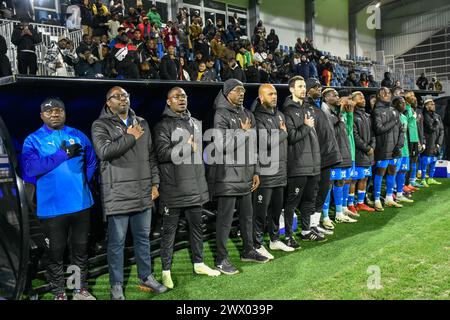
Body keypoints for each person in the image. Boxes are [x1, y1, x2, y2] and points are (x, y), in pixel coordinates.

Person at [91, 87, 167, 300]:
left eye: (125, 96)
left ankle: (146, 277)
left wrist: (155, 183)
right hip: (118, 194)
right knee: (117, 243)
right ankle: (116, 285)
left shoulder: (141, 122)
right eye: (117, 96)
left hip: (143, 192)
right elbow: (104, 152)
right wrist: (130, 137)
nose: (122, 99)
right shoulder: (100, 125)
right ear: (108, 103)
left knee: (143, 239)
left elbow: (151, 156)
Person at [22, 98, 97, 300]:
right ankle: (59, 293)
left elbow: (91, 162)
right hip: (52, 210)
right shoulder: (33, 140)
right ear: (41, 116)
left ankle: (78, 288)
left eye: (59, 110)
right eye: (49, 111)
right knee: (55, 253)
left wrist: (82, 183)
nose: (54, 114)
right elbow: (30, 168)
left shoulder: (77, 135)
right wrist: (62, 154)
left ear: (64, 112)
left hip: (81, 205)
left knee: (79, 250)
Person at [154, 87, 220, 289]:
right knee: (169, 233)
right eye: (176, 97)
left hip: (195, 187)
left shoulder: (195, 123)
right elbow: (162, 154)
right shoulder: (162, 126)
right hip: (173, 190)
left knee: (197, 228)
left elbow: (199, 157)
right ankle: (166, 271)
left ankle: (199, 264)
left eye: (183, 96)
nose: (181, 99)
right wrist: (186, 147)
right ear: (168, 101)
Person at [210, 79, 268, 275]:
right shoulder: (221, 113)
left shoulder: (246, 113)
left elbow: (254, 145)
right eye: (237, 90)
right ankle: (220, 259)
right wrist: (243, 133)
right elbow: (221, 146)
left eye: (243, 90)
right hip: (227, 175)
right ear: (227, 93)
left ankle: (248, 251)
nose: (241, 93)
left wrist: (256, 170)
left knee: (247, 217)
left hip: (246, 174)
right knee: (225, 221)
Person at [281, 76, 324, 246]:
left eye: (304, 86)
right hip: (298, 165)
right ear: (291, 89)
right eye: (299, 86)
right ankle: (288, 235)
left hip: (313, 164)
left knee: (309, 200)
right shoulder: (287, 112)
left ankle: (306, 231)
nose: (303, 89)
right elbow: (291, 137)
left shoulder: (309, 108)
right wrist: (306, 126)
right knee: (292, 202)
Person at [251, 84, 293, 258]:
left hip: (281, 172)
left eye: (275, 93)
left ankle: (274, 240)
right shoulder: (257, 117)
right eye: (270, 94)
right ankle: (257, 244)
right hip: (266, 173)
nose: (274, 96)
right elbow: (265, 142)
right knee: (260, 212)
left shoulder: (281, 115)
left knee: (276, 210)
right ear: (261, 98)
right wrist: (283, 133)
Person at [321, 88, 357, 225]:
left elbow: (347, 130)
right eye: (334, 95)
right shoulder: (324, 112)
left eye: (337, 95)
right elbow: (329, 128)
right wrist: (341, 110)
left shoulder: (336, 112)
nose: (337, 97)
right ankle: (325, 217)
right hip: (331, 154)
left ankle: (339, 213)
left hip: (342, 152)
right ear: (325, 98)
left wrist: (350, 113)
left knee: (340, 182)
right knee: (329, 185)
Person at [372, 87, 404, 211]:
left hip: (395, 149)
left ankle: (389, 198)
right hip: (383, 148)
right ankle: (376, 200)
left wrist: (399, 146)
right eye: (384, 93)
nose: (388, 95)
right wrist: (393, 121)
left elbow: (401, 130)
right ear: (379, 95)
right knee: (380, 173)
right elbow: (378, 129)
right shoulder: (377, 111)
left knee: (392, 171)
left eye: (389, 93)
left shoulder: (394, 110)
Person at [352, 91, 376, 212]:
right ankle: (351, 204)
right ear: (353, 100)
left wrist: (372, 147)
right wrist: (367, 148)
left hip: (368, 154)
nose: (363, 99)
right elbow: (354, 136)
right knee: (354, 179)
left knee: (365, 178)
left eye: (363, 97)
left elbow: (373, 134)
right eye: (359, 97)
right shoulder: (352, 116)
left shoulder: (367, 116)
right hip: (358, 154)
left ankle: (361, 203)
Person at [391, 96, 415, 203]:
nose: (404, 105)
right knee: (394, 172)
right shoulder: (393, 116)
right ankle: (391, 194)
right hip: (396, 150)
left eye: (404, 103)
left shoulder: (404, 117)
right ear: (395, 105)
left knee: (403, 171)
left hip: (405, 149)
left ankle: (400, 193)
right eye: (401, 103)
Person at [420, 99, 444, 186]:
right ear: (426, 106)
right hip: (429, 142)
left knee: (434, 160)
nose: (434, 105)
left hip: (436, 142)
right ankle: (422, 179)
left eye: (434, 104)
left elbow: (442, 130)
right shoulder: (424, 116)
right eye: (431, 104)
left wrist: (439, 143)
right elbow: (432, 128)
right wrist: (436, 122)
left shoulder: (437, 116)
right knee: (425, 161)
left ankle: (430, 178)